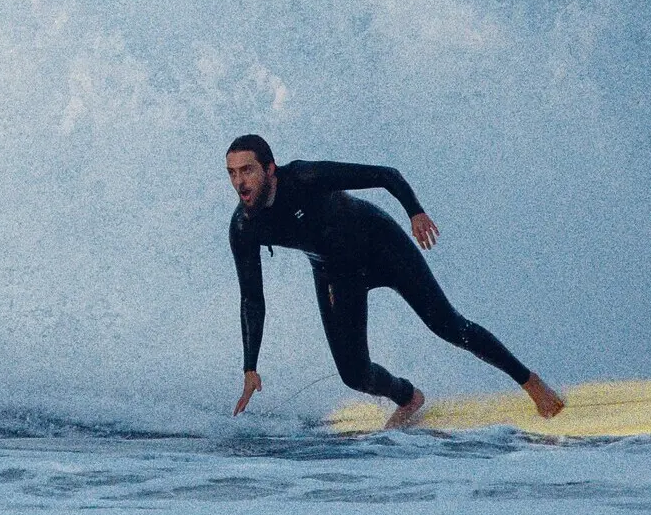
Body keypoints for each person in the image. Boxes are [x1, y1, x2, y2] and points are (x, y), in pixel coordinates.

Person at [225, 134, 564, 427]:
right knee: (354, 375)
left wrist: (415, 212)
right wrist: (250, 367)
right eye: (232, 173)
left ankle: (530, 381)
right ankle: (408, 397)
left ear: (270, 168)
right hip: (336, 273)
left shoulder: (305, 176)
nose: (240, 182)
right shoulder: (244, 227)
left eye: (247, 170)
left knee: (447, 325)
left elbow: (388, 176)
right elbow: (252, 298)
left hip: (381, 245)